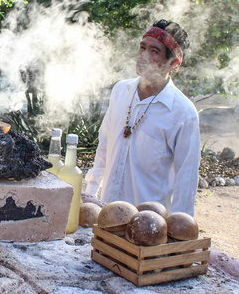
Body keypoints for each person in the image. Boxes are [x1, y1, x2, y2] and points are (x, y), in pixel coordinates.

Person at [85, 19, 200, 216]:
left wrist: (179, 233)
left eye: (154, 51)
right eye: (142, 47)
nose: (142, 56)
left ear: (173, 63)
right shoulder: (121, 91)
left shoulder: (183, 114)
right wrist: (90, 195)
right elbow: (104, 148)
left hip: (147, 226)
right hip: (106, 214)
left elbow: (186, 181)